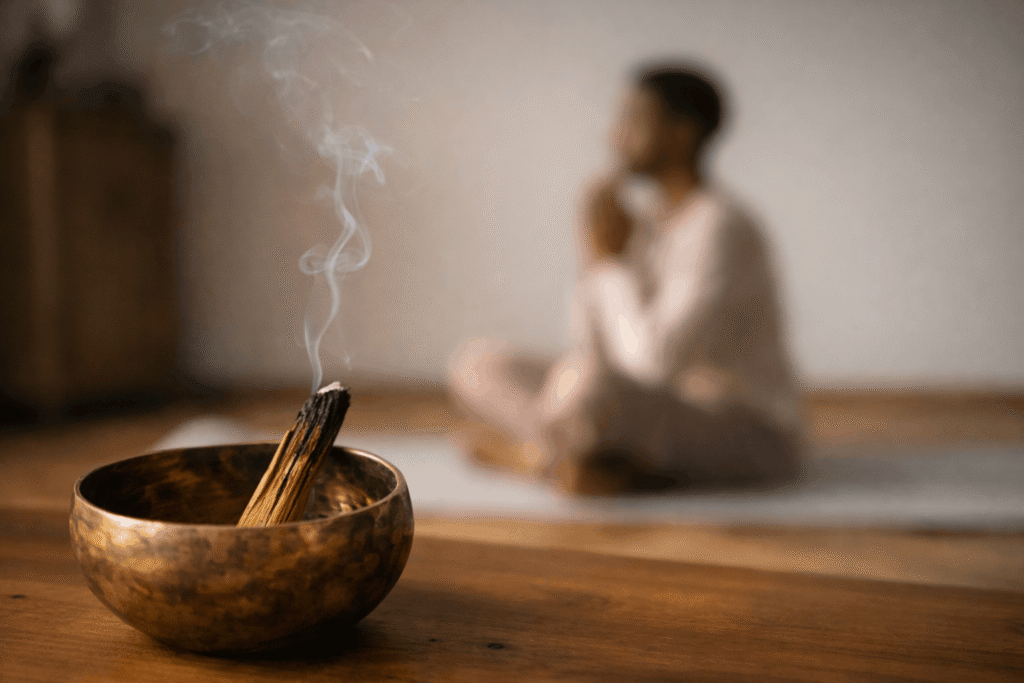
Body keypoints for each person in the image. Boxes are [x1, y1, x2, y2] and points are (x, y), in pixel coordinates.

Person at [448, 63, 802, 495]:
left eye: (633, 119)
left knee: (585, 386)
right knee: (478, 363)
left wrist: (606, 263)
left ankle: (540, 457)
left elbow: (652, 365)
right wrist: (593, 258)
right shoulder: (648, 223)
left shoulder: (720, 226)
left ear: (681, 133)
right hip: (651, 408)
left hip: (742, 425)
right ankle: (575, 461)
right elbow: (588, 345)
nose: (615, 136)